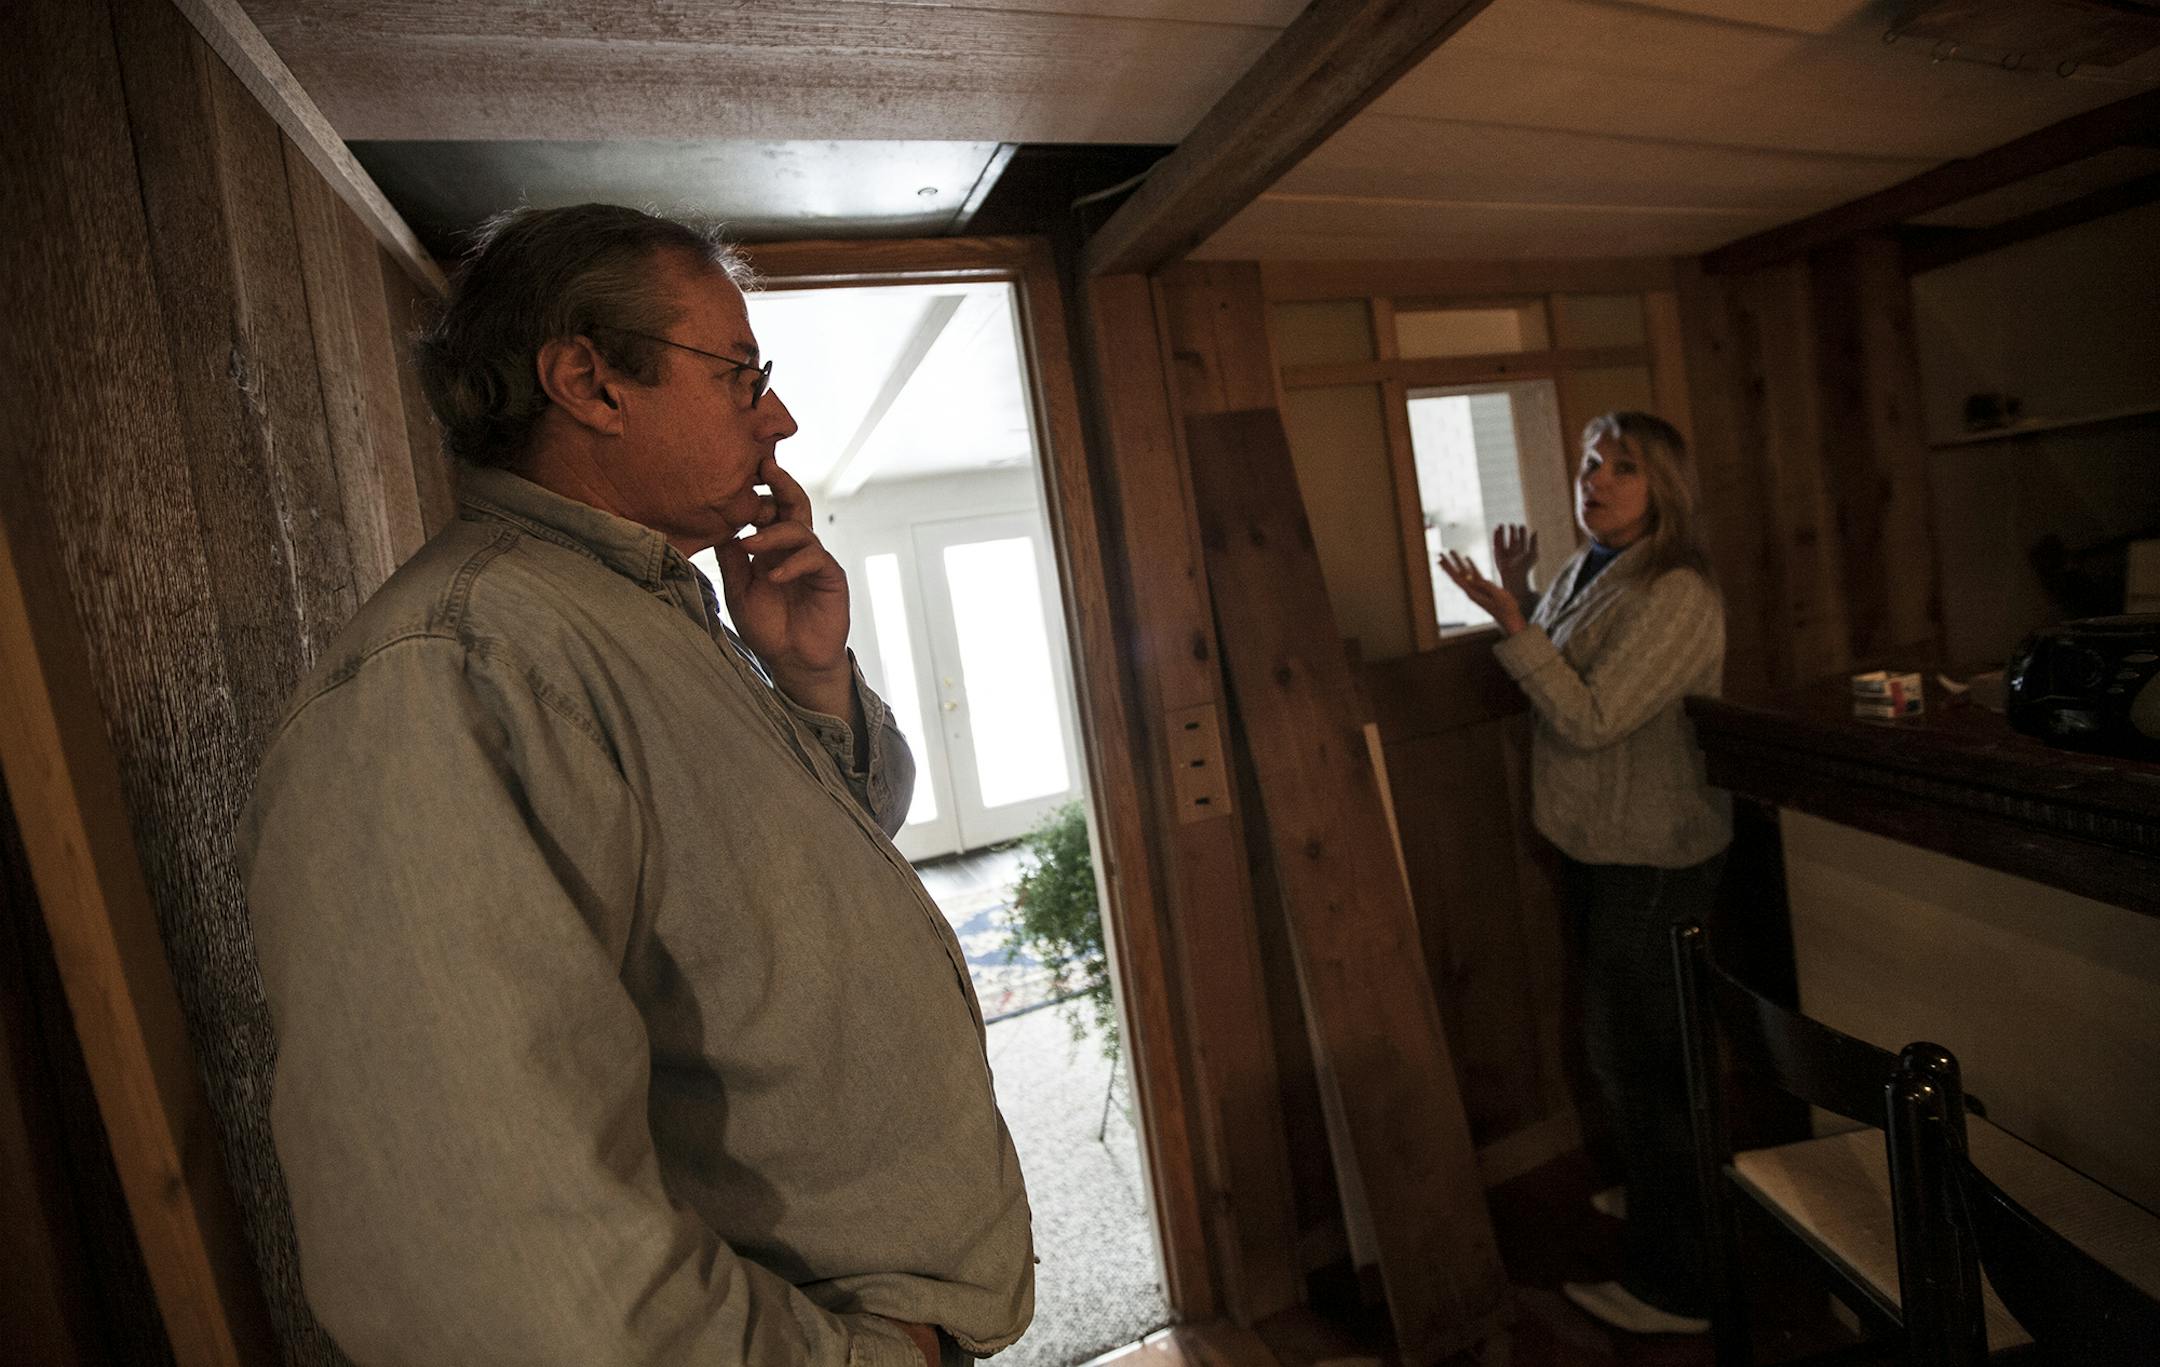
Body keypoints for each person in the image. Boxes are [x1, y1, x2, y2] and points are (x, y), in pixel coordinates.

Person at [238, 204, 1033, 1367]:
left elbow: (796, 876)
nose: (782, 415)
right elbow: (502, 1263)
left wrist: (809, 674)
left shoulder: (645, 612)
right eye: (742, 374)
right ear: (591, 383)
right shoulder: (457, 672)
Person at [1438, 410, 1729, 1337]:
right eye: (1590, 463)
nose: (1595, 479)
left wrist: (1515, 622)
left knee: (1645, 1060)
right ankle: (1662, 1199)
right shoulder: (1589, 564)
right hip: (1603, 843)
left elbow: (1593, 716)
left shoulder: (1676, 590)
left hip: (1655, 851)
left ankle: (1679, 1284)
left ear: (1665, 490)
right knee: (1622, 1048)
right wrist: (1528, 594)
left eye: (1623, 468)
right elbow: (1566, 666)